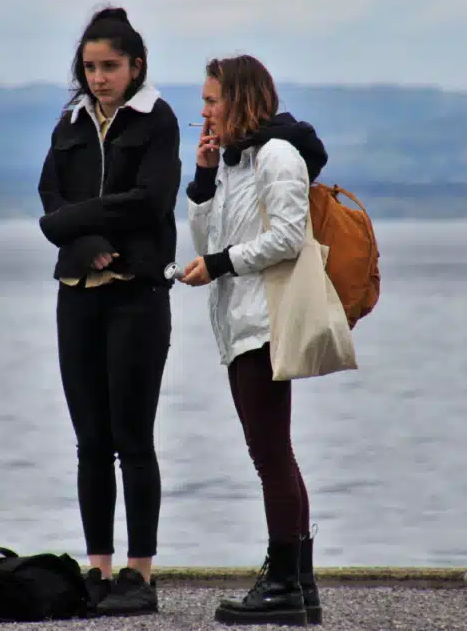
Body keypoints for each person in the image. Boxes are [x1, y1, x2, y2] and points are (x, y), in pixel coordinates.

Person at [36, 6, 181, 616]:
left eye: (111, 67)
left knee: (133, 436)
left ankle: (139, 574)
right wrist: (86, 242)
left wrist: (71, 224)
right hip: (78, 292)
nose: (99, 78)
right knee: (90, 440)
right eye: (91, 67)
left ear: (135, 66)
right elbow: (51, 194)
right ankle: (97, 567)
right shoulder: (70, 121)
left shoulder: (156, 120)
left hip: (137, 295)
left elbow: (151, 200)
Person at [177, 55, 328, 627]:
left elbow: (289, 236)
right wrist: (202, 178)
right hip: (238, 321)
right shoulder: (236, 162)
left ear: (240, 99)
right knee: (275, 453)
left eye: (211, 100)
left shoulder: (278, 155)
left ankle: (284, 582)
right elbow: (208, 236)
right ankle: (301, 583)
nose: (204, 111)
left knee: (269, 455)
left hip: (265, 322)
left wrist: (217, 264)